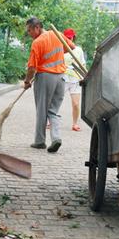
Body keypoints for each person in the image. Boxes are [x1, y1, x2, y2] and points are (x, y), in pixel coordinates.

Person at [23, 18, 75, 153]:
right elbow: (71, 47)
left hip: (45, 77)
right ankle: (56, 138)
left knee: (42, 110)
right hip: (61, 77)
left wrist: (27, 81)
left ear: (37, 28)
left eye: (29, 30)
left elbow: (32, 67)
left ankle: (40, 141)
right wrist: (56, 54)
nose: (29, 33)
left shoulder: (37, 42)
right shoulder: (57, 34)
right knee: (53, 111)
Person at [62, 28, 86, 132]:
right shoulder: (60, 48)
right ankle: (50, 121)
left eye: (70, 37)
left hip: (75, 79)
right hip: (62, 78)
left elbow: (82, 64)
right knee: (55, 101)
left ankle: (75, 124)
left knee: (76, 104)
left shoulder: (78, 49)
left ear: (73, 37)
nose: (69, 39)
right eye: (67, 37)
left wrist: (85, 75)